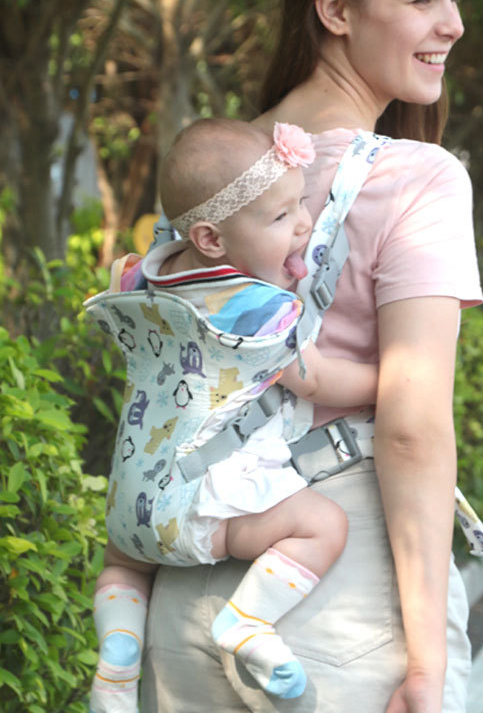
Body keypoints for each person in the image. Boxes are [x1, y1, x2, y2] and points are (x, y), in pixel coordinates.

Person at [141, 0, 483, 711]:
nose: (454, 24)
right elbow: (411, 426)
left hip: (187, 588)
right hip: (338, 598)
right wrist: (426, 661)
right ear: (335, 10)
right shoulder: (421, 179)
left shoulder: (207, 177)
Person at [90, 118, 380, 712]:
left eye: (301, 204)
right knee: (323, 526)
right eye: (280, 219)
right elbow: (316, 377)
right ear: (213, 239)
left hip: (132, 498)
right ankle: (248, 621)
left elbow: (131, 267)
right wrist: (396, 381)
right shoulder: (252, 309)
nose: (302, 224)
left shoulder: (142, 273)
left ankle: (117, 656)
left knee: (123, 564)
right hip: (201, 503)